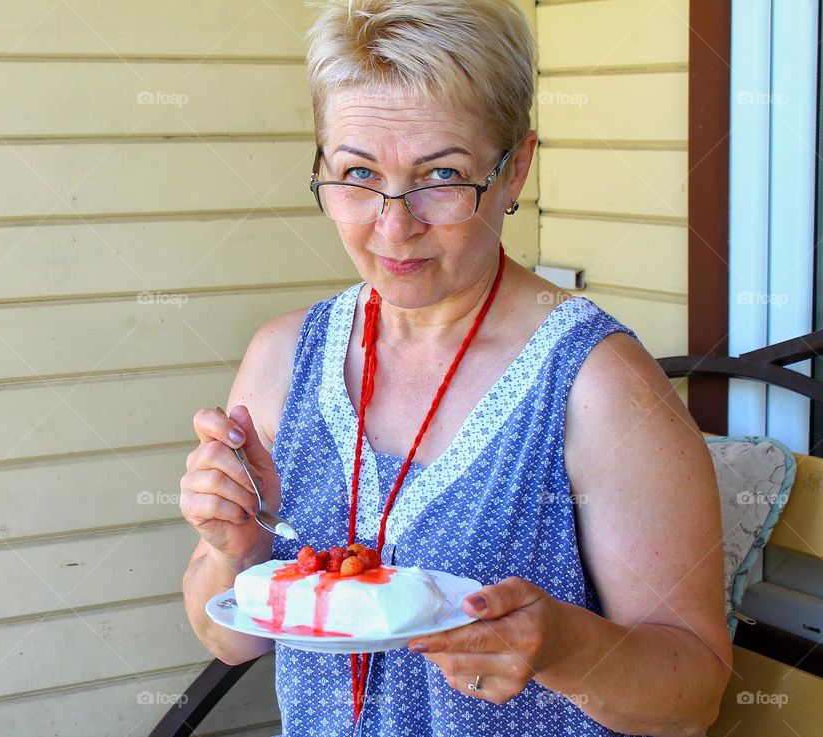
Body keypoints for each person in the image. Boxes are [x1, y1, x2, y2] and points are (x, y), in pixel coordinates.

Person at [180, 1, 732, 735]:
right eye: (357, 172)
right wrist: (239, 547)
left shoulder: (596, 384)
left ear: (515, 170)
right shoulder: (285, 357)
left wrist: (564, 647)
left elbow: (693, 698)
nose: (394, 223)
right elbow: (228, 637)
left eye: (442, 173)